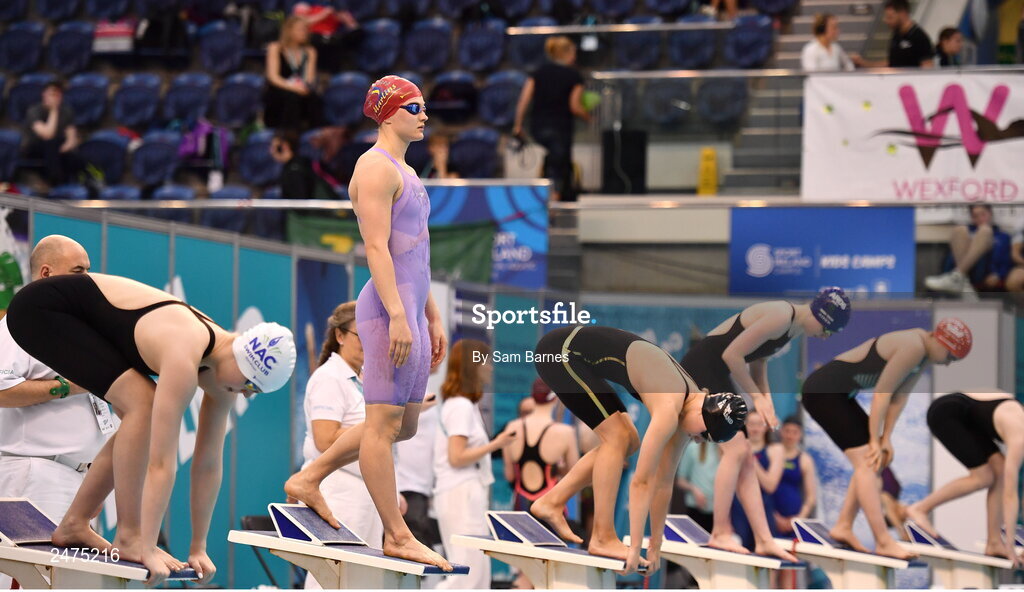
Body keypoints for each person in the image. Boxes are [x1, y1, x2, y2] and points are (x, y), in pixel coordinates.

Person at [5, 271, 296, 586]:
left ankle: (75, 523)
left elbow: (208, 463)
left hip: (77, 321)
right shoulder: (186, 350)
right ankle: (128, 535)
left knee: (140, 403)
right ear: (242, 360)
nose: (247, 394)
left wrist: (199, 547)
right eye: (250, 385)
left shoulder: (222, 370)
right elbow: (161, 464)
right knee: (143, 403)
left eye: (256, 391)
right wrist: (143, 544)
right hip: (42, 309)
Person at [284, 75, 452, 570]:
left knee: (405, 425)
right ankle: (396, 535)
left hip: (411, 308)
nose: (424, 115)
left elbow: (417, 252)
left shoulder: (406, 169)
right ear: (389, 113)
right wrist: (400, 315)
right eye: (416, 107)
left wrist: (431, 313)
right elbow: (375, 249)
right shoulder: (374, 168)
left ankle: (310, 475)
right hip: (385, 309)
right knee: (382, 426)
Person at [531, 324, 751, 574]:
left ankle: (552, 502)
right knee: (617, 437)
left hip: (577, 356)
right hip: (561, 352)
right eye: (703, 435)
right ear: (704, 418)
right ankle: (602, 537)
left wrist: (655, 544)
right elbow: (642, 482)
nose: (698, 440)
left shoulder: (689, 407)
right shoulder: (670, 405)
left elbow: (663, 484)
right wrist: (635, 546)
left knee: (628, 440)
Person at [679, 287, 850, 559]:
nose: (825, 337)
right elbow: (731, 356)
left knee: (745, 455)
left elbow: (758, 364)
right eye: (829, 331)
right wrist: (757, 398)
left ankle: (763, 538)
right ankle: (720, 531)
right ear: (822, 317)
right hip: (702, 369)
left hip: (715, 372)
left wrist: (766, 401)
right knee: (736, 451)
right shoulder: (781, 315)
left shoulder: (791, 329)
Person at [801, 318, 972, 559]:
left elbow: (898, 397)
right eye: (950, 356)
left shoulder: (922, 352)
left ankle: (843, 525)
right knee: (868, 463)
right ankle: (883, 540)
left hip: (838, 395)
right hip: (824, 393)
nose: (947, 363)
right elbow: (882, 394)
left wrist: (885, 438)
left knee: (872, 462)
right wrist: (874, 439)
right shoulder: (913, 345)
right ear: (941, 340)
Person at [0, 236, 108, 590]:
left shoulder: (77, 329)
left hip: (76, 479)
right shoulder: (19, 325)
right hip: (35, 476)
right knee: (27, 583)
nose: (87, 280)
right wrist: (64, 387)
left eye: (88, 271)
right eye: (78, 271)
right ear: (46, 273)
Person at [300, 301, 383, 588]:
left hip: (364, 492)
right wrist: (376, 429)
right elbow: (324, 439)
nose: (369, 345)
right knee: (332, 575)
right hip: (338, 492)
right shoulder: (329, 378)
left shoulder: (360, 380)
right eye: (362, 336)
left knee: (364, 579)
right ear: (340, 336)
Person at [434, 339, 517, 589]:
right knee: (466, 574)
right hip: (460, 492)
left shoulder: (465, 405)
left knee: (477, 573)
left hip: (466, 492)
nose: (491, 367)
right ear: (473, 366)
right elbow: (456, 457)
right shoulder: (460, 406)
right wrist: (497, 444)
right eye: (486, 362)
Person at [905, 391, 1024, 564]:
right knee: (984, 477)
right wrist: (1011, 548)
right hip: (947, 412)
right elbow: (1010, 495)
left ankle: (994, 542)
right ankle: (919, 509)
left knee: (998, 468)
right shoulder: (1019, 438)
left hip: (971, 415)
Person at [512, 36, 591, 202]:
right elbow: (575, 106)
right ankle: (553, 203)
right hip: (560, 128)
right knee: (559, 166)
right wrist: (589, 117)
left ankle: (550, 196)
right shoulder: (574, 76)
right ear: (567, 53)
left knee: (555, 159)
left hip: (539, 127)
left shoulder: (538, 73)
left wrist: (518, 125)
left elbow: (523, 100)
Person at [503, 378, 581, 512]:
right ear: (555, 398)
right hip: (551, 506)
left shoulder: (512, 427)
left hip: (521, 505)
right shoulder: (565, 432)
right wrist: (555, 469)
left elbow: (510, 475)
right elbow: (575, 474)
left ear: (532, 396)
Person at [925, 204, 1013, 294]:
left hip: (985, 271)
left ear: (990, 214)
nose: (980, 219)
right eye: (975, 216)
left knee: (985, 230)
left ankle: (957, 277)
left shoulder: (1003, 237)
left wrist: (998, 274)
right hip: (962, 267)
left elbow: (1007, 260)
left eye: (983, 214)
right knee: (959, 230)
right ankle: (960, 278)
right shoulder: (966, 231)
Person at [761, 415, 817, 537]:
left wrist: (797, 520)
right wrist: (772, 515)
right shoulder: (770, 453)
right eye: (787, 431)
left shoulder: (805, 460)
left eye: (794, 432)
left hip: (794, 517)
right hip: (768, 514)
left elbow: (811, 497)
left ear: (800, 435)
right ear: (781, 431)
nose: (790, 436)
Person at [264, 16, 321, 131]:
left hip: (301, 89)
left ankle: (313, 134)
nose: (304, 33)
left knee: (315, 99)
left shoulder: (310, 51)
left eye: (306, 29)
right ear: (289, 31)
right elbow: (273, 77)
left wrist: (304, 87)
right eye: (300, 29)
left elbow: (309, 78)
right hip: (280, 88)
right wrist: (293, 87)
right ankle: (288, 133)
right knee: (291, 98)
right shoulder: (275, 48)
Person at [22, 82, 84, 186]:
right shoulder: (34, 110)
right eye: (51, 94)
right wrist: (54, 110)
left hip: (58, 149)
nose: (54, 98)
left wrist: (65, 147)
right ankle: (54, 184)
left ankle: (86, 186)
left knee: (77, 157)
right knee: (51, 144)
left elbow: (71, 138)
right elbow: (47, 134)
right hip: (34, 148)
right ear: (44, 95)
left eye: (57, 95)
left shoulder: (66, 111)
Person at [854, 0, 934, 68]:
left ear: (902, 14)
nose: (886, 21)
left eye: (890, 17)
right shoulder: (897, 35)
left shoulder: (919, 37)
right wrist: (865, 64)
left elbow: (927, 67)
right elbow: (892, 63)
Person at [271, 129, 338, 200]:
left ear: (284, 146)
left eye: (274, 147)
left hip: (314, 209)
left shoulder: (295, 169)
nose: (271, 151)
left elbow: (301, 202)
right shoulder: (300, 163)